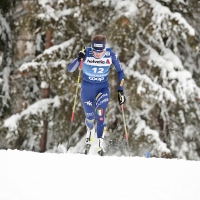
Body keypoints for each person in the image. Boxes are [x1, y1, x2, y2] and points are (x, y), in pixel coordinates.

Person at [68, 34, 126, 156]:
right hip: (87, 89)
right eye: (95, 51)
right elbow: (71, 69)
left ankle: (100, 144)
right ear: (92, 48)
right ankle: (90, 129)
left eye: (101, 51)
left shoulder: (110, 55)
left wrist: (120, 90)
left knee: (100, 114)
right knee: (90, 117)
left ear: (104, 48)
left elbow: (120, 71)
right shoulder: (86, 53)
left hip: (102, 89)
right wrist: (79, 59)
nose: (98, 54)